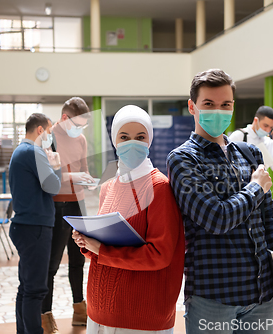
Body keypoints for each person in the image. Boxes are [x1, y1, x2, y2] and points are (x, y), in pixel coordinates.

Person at [166, 69, 273, 334]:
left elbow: (269, 217)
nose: (218, 111)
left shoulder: (249, 153)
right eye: (209, 104)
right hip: (213, 295)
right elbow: (216, 218)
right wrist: (256, 188)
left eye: (226, 105)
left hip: (261, 293)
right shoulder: (183, 159)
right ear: (192, 106)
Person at [72, 105, 185, 333]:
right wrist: (86, 241)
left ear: (149, 141)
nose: (132, 142)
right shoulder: (109, 186)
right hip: (100, 309)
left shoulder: (158, 187)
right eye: (124, 137)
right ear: (115, 140)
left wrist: (101, 250)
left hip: (138, 316)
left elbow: (160, 255)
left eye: (140, 137)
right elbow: (103, 239)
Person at [41, 97, 94, 333]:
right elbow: (46, 178)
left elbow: (84, 169)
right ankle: (45, 314)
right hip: (57, 205)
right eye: (78, 124)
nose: (80, 130)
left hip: (78, 205)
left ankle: (79, 310)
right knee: (51, 265)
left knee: (78, 260)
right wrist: (73, 178)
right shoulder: (48, 139)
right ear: (65, 119)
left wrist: (89, 179)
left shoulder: (80, 139)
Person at [9, 113, 62, 334]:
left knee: (26, 288)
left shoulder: (20, 151)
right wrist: (56, 165)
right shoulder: (33, 151)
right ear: (40, 130)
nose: (50, 136)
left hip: (25, 226)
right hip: (35, 228)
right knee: (35, 290)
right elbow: (53, 187)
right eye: (49, 131)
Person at [229, 106, 273, 174]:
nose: (268, 130)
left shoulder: (268, 142)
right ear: (256, 120)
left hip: (260, 183)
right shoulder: (238, 136)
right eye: (265, 126)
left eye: (271, 127)